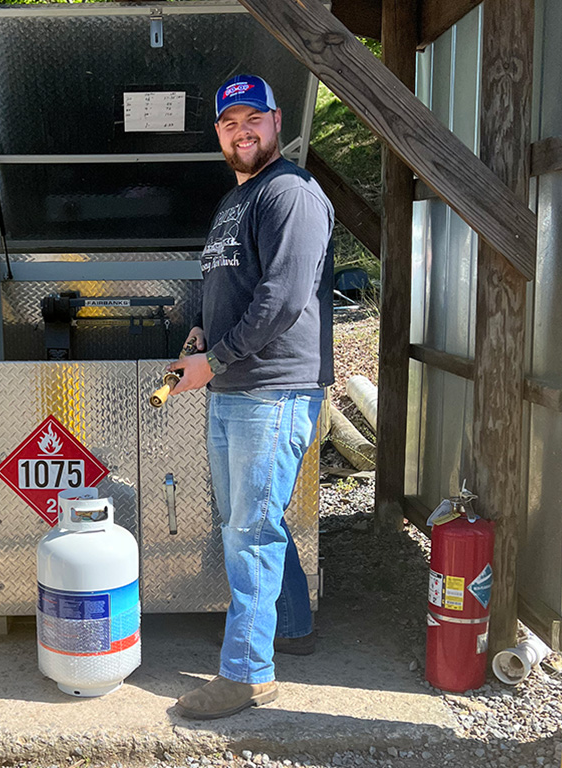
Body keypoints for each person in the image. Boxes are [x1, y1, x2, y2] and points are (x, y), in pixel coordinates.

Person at [167, 74, 335, 720]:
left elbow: (283, 300)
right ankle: (286, 624)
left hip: (270, 391)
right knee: (251, 523)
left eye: (253, 119)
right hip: (234, 385)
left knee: (251, 530)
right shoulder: (235, 200)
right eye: (230, 123)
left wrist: (215, 360)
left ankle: (247, 673)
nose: (243, 131)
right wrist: (202, 330)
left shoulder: (289, 193)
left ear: (275, 120)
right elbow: (232, 286)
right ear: (220, 135)